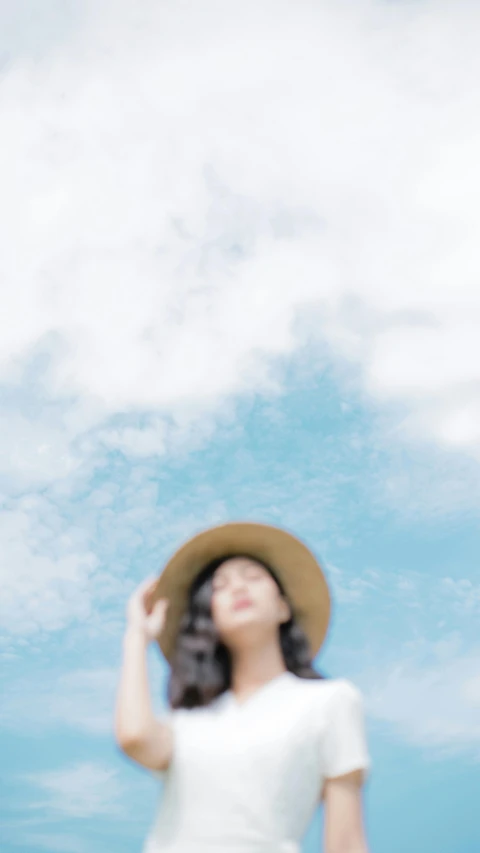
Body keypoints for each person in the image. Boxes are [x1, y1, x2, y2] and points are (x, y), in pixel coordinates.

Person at [114, 521, 371, 853]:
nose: (238, 588)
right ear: (210, 618)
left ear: (283, 607)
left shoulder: (330, 701)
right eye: (220, 586)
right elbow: (134, 737)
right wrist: (137, 635)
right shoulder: (189, 721)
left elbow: (346, 843)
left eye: (253, 577)